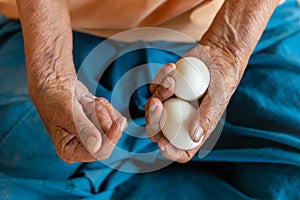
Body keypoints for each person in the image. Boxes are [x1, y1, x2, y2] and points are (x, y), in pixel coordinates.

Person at [0, 0, 300, 199]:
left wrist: (229, 46)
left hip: (244, 24)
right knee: (21, 152)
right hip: (70, 31)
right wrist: (51, 70)